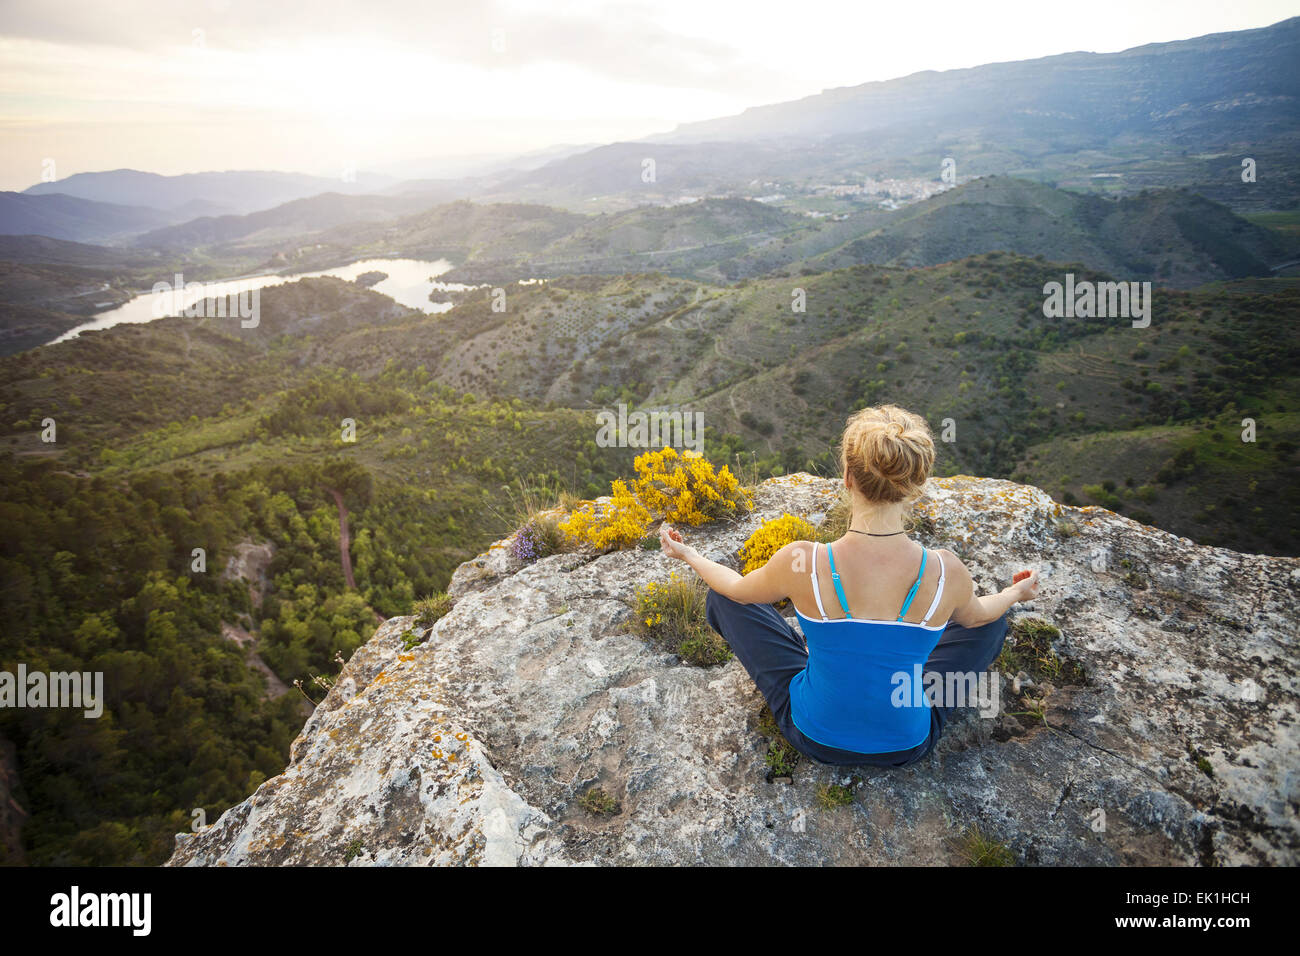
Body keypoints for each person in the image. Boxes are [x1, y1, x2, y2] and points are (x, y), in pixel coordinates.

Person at [658, 404, 1041, 767]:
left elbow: (737, 590)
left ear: (847, 477)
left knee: (726, 598)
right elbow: (978, 617)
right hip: (906, 745)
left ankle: (826, 667)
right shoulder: (946, 571)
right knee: (993, 623)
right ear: (917, 485)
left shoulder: (804, 561)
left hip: (815, 735)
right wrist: (1013, 594)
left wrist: (690, 554)